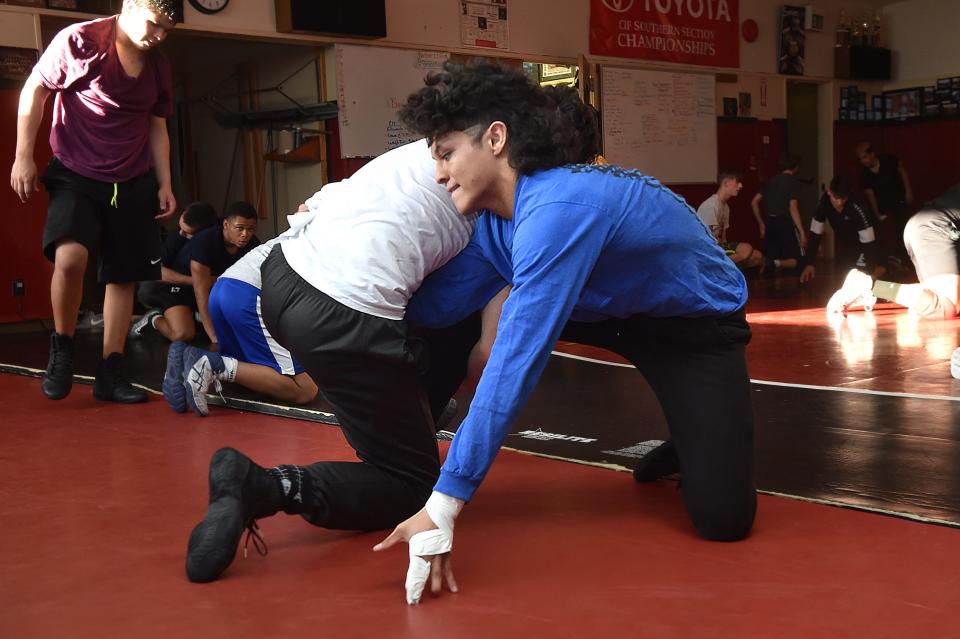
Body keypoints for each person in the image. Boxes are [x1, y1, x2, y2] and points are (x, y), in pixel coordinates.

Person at [369, 60, 755, 605]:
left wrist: (447, 503)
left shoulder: (559, 210)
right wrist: (334, 259)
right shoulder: (495, 225)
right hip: (605, 307)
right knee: (451, 321)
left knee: (723, 519)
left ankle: (697, 434)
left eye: (447, 153)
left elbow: (512, 366)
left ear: (496, 139)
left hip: (691, 326)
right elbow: (433, 309)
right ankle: (410, 461)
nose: (438, 173)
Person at [180, 85, 599, 587]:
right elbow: (490, 334)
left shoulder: (437, 147)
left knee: (441, 314)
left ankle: (409, 417)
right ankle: (264, 487)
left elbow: (327, 201)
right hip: (343, 308)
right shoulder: (506, 182)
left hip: (284, 276)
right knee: (411, 485)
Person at [9, 0, 178, 403]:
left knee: (122, 275)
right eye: (154, 24)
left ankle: (111, 372)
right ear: (131, 6)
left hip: (132, 178)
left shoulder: (158, 66)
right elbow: (35, 89)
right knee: (70, 259)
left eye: (167, 30)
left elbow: (157, 125)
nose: (158, 36)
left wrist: (165, 182)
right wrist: (22, 154)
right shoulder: (81, 40)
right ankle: (62, 349)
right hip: (75, 170)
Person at [163, 207, 319, 415]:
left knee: (242, 373)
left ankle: (186, 362)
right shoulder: (324, 247)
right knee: (305, 389)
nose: (245, 234)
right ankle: (210, 363)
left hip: (222, 289)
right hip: (245, 295)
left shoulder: (293, 236)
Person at [827, 183, 960, 320]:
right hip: (935, 227)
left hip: (923, 226)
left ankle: (874, 288)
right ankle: (869, 286)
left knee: (933, 297)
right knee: (946, 306)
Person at [130, 201, 219, 342]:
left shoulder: (220, 236)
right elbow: (153, 271)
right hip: (166, 288)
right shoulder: (177, 237)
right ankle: (153, 318)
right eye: (181, 227)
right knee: (182, 334)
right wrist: (196, 282)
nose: (181, 233)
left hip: (198, 289)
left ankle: (193, 315)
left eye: (187, 232)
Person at [186, 201, 260, 346]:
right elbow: (201, 292)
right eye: (239, 228)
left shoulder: (254, 245)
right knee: (182, 333)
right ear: (226, 224)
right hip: (184, 290)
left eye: (250, 229)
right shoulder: (204, 242)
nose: (245, 234)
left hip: (219, 289)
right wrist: (214, 336)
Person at [799, 176, 881, 284]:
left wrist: (869, 271)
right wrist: (810, 263)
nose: (839, 203)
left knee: (864, 276)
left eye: (843, 199)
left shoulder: (857, 206)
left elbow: (869, 243)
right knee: (845, 275)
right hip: (847, 243)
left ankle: (885, 266)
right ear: (829, 192)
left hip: (866, 241)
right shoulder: (823, 204)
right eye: (835, 198)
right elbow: (815, 233)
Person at [855, 142, 913, 266]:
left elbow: (903, 172)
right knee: (885, 233)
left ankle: (904, 260)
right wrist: (878, 214)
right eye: (860, 159)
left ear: (872, 154)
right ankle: (888, 261)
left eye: (865, 157)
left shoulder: (889, 160)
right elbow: (871, 197)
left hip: (899, 200)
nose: (863, 161)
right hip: (883, 205)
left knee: (903, 229)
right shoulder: (865, 175)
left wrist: (908, 192)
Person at [696, 170, 763, 270]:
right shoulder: (711, 205)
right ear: (726, 183)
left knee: (757, 256)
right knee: (746, 249)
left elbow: (722, 238)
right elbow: (707, 241)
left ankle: (724, 270)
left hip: (719, 247)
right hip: (706, 251)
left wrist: (728, 252)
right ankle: (712, 268)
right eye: (737, 182)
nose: (740, 186)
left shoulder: (725, 207)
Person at [751, 153, 806, 273]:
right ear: (796, 167)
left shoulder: (770, 181)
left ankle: (770, 265)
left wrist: (761, 223)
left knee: (770, 256)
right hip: (785, 222)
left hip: (770, 222)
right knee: (798, 260)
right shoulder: (792, 182)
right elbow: (793, 208)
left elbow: (754, 202)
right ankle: (775, 263)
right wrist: (801, 231)